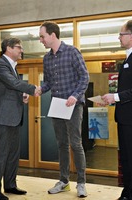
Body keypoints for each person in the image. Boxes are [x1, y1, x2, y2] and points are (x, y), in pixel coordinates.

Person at [101, 20, 132, 200]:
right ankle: (127, 194)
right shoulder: (130, 57)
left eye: (121, 34)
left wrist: (115, 97)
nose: (119, 38)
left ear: (131, 36)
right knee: (127, 160)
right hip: (125, 117)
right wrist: (111, 98)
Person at [39, 21, 89, 198]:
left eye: (42, 36)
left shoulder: (72, 52)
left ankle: (81, 183)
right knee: (61, 144)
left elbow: (85, 76)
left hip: (73, 105)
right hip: (57, 105)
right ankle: (64, 181)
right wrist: (39, 89)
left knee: (75, 144)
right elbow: (48, 83)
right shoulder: (47, 58)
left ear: (53, 35)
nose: (41, 40)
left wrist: (75, 95)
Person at [0, 37, 41, 200]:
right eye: (19, 47)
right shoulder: (0, 64)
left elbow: (10, 89)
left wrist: (23, 95)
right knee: (0, 154)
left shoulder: (12, 66)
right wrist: (32, 89)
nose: (21, 50)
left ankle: (10, 185)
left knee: (12, 153)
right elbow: (12, 83)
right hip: (2, 117)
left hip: (13, 117)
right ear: (8, 49)